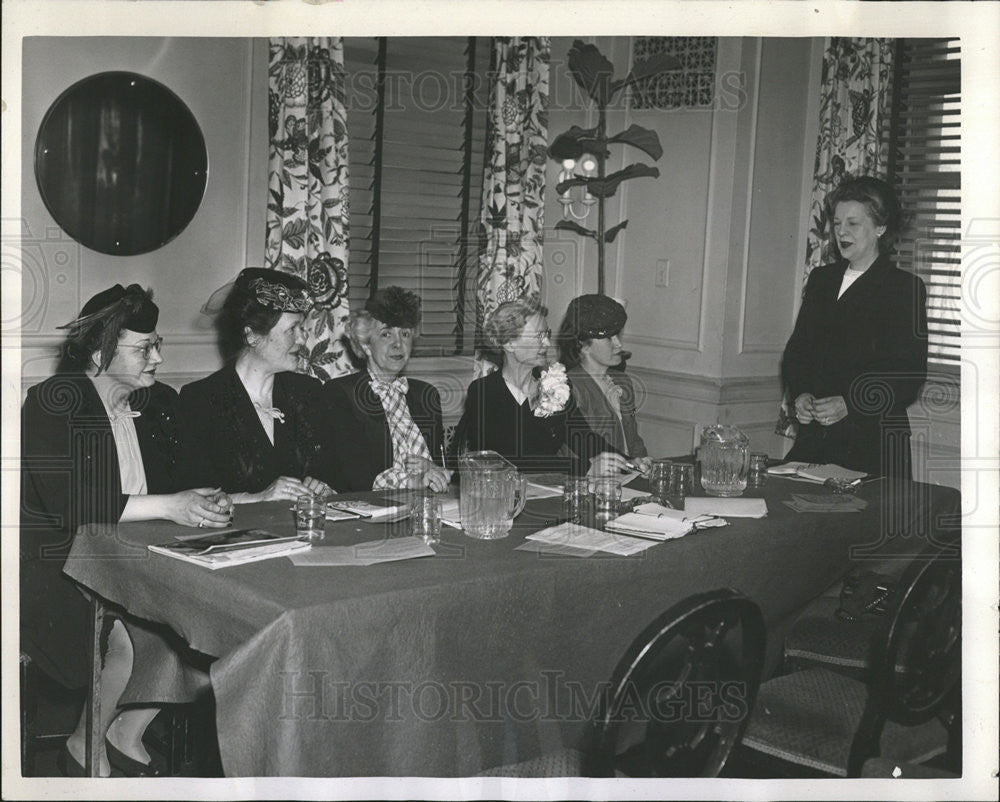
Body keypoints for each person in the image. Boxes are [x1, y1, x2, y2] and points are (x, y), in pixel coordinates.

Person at [20, 284, 233, 777]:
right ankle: (85, 752)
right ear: (100, 352)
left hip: (135, 557)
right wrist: (172, 506)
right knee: (135, 637)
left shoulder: (155, 403)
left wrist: (229, 498)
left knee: (212, 624)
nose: (157, 357)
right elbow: (70, 504)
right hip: (59, 565)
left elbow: (190, 478)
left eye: (158, 344)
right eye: (144, 348)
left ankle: (125, 732)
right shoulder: (55, 401)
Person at [782, 175, 928, 478]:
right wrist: (802, 394)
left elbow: (909, 374)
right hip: (816, 440)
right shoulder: (822, 280)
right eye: (837, 224)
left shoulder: (904, 289)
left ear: (880, 228)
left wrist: (850, 404)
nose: (841, 232)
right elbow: (797, 352)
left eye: (853, 224)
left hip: (872, 443)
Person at [177, 268, 336, 500]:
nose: (302, 339)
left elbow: (333, 472)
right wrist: (258, 498)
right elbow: (194, 497)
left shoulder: (308, 392)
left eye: (301, 328)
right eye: (292, 330)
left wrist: (323, 486)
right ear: (251, 335)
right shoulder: (201, 400)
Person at [454, 297, 624, 476]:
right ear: (510, 343)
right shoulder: (484, 392)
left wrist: (626, 461)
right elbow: (510, 460)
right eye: (539, 336)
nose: (547, 344)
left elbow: (583, 438)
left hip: (546, 493)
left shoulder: (555, 386)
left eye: (547, 335)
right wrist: (585, 467)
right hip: (501, 495)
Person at [324, 286, 451, 492]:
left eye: (405, 334)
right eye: (386, 334)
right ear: (365, 344)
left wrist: (434, 468)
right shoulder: (340, 393)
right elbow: (352, 475)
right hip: (374, 511)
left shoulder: (426, 394)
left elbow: (444, 467)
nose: (398, 344)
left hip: (428, 507)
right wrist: (413, 482)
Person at [557, 294, 652, 474]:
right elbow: (575, 451)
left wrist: (643, 464)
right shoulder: (567, 387)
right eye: (609, 337)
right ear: (584, 346)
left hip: (627, 479)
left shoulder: (622, 381)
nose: (618, 344)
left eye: (618, 335)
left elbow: (633, 440)